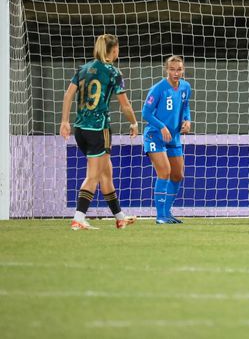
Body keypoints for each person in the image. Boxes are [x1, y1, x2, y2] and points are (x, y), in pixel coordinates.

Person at [59, 34, 139, 230]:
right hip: (98, 130)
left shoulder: (84, 69)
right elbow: (125, 105)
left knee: (106, 174)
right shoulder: (113, 72)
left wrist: (64, 122)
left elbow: (68, 94)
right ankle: (78, 218)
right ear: (114, 50)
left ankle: (120, 218)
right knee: (93, 176)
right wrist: (134, 122)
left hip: (80, 130)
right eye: (118, 48)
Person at [142, 56, 192, 224]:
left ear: (183, 70)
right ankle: (160, 216)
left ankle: (167, 213)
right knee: (164, 172)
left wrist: (187, 120)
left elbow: (186, 106)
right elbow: (146, 113)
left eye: (179, 69)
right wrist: (162, 126)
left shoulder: (186, 87)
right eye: (172, 69)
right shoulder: (158, 89)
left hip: (174, 137)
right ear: (166, 70)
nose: (176, 73)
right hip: (155, 135)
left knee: (177, 175)